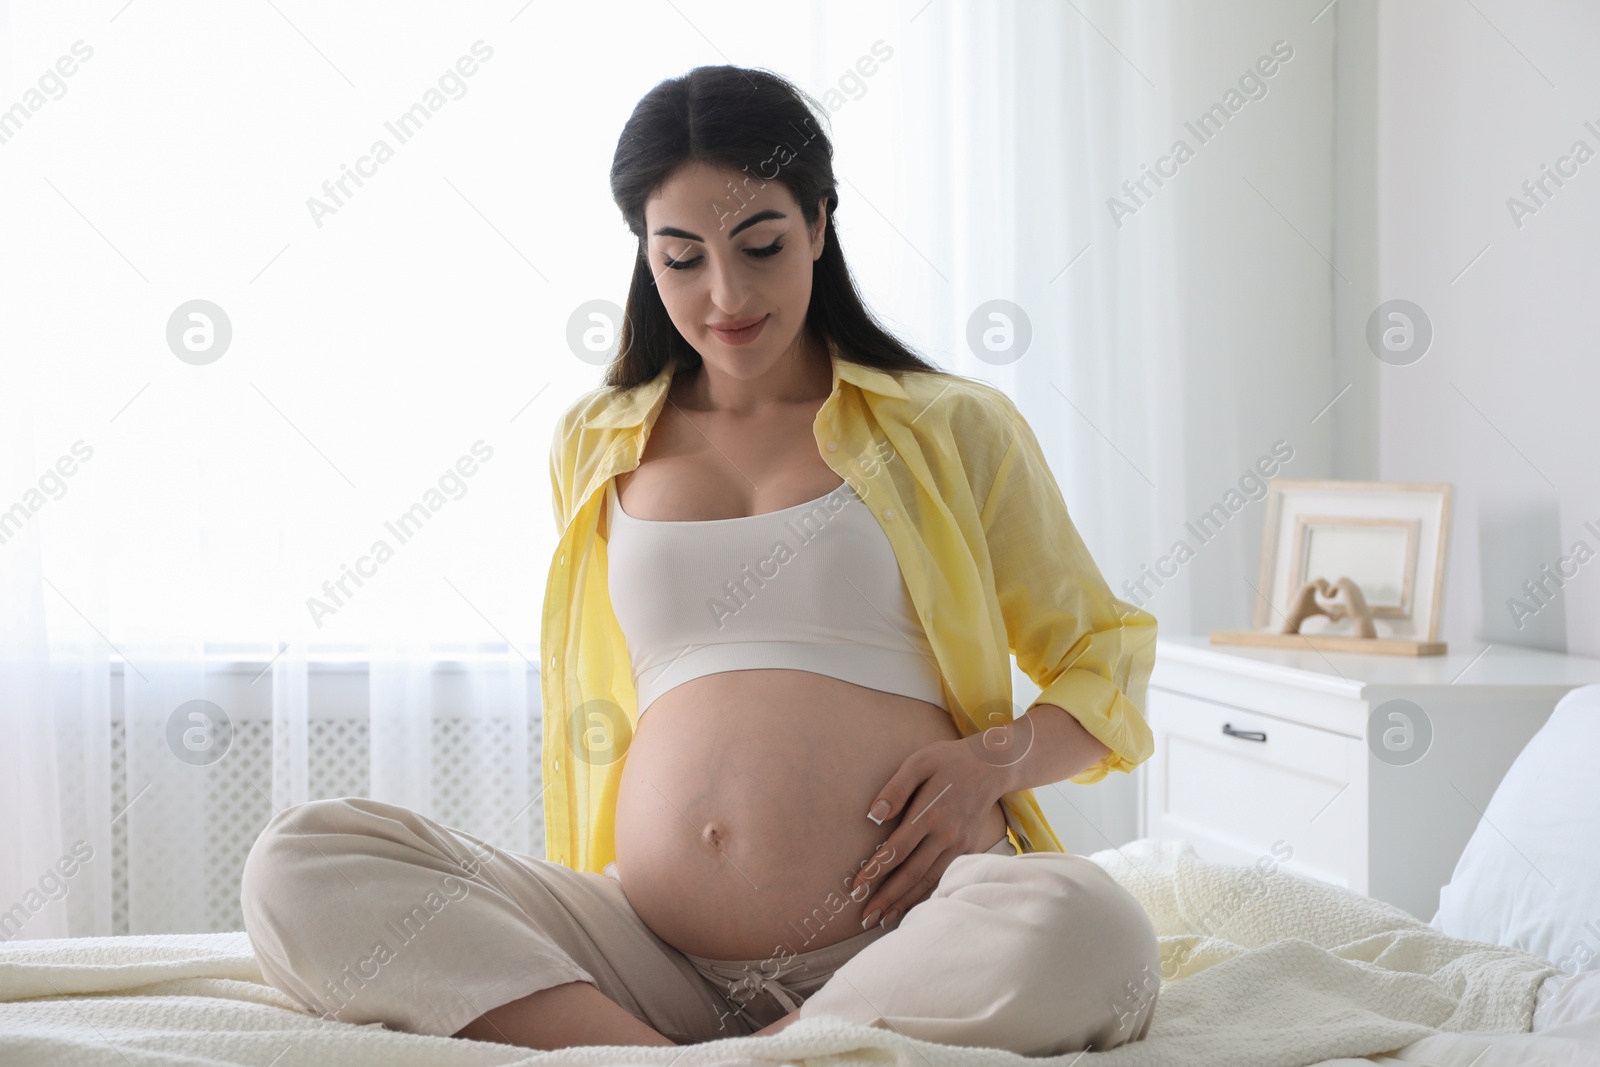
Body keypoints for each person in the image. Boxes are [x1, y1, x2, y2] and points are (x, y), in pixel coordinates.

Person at [240, 63, 1162, 1056]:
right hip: (653, 953)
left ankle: (742, 1047)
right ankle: (678, 1052)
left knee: (1090, 926)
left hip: (908, 931)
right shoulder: (596, 441)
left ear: (818, 222)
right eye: (680, 258)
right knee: (302, 857)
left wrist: (991, 763)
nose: (725, 294)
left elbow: (1103, 655)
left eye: (760, 245)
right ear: (644, 252)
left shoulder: (951, 425)